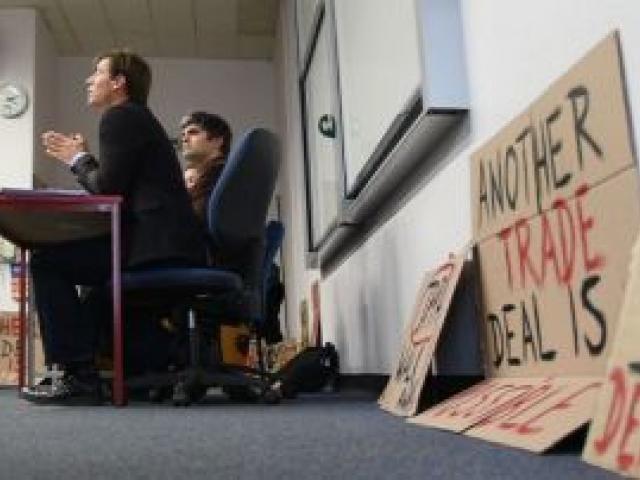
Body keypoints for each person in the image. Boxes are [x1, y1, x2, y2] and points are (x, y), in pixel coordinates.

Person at [23, 49, 207, 405]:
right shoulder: (136, 118)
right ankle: (92, 369)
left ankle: (79, 376)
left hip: (153, 245)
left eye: (97, 73)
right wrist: (85, 159)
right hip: (164, 242)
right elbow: (117, 186)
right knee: (89, 288)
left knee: (48, 262)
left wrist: (78, 159)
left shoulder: (119, 117)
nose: (89, 80)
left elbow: (108, 192)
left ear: (119, 82)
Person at [180, 111, 232, 224]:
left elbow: (187, 222)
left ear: (217, 140)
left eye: (193, 132)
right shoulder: (201, 176)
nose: (184, 139)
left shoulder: (221, 175)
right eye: (183, 135)